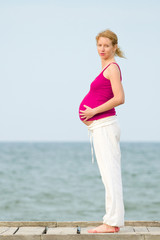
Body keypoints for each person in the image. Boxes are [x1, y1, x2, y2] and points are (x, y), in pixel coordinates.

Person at [79, 29, 125, 233]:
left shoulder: (113, 68)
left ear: (114, 46)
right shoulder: (104, 66)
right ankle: (111, 220)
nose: (102, 49)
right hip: (100, 127)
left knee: (111, 174)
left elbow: (120, 98)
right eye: (99, 45)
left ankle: (112, 223)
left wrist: (93, 111)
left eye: (106, 45)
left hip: (105, 125)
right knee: (107, 175)